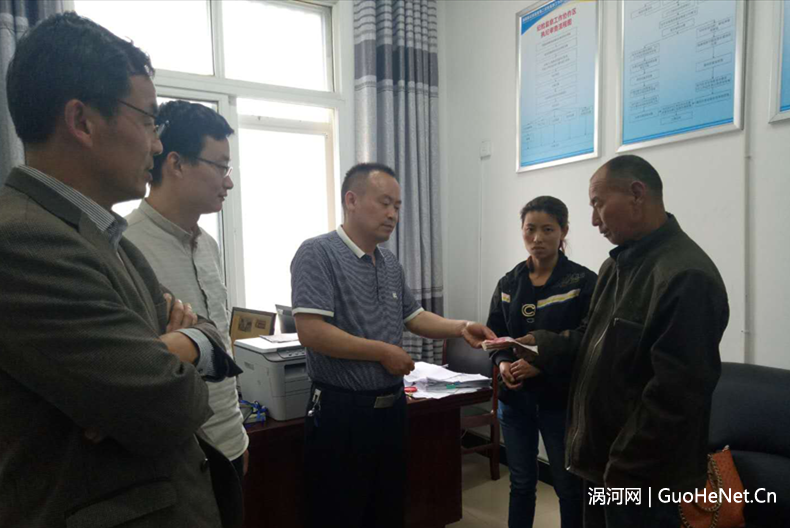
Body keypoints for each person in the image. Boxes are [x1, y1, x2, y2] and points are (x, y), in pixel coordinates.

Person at [0, 13, 242, 528]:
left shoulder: (111, 240)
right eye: (148, 121)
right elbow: (168, 407)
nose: (155, 144)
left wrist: (173, 349)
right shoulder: (21, 241)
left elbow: (210, 341)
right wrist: (172, 360)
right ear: (82, 122)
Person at [518, 155, 729, 528]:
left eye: (598, 203)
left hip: (641, 475)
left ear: (636, 193)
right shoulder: (615, 266)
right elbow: (590, 339)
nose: (594, 220)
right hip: (602, 465)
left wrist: (620, 466)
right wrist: (537, 344)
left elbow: (676, 396)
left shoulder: (685, 275)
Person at [290, 162, 496, 528]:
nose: (393, 214)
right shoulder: (317, 253)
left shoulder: (388, 262)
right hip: (342, 411)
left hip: (391, 409)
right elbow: (312, 332)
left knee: (387, 508)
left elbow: (414, 317)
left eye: (398, 206)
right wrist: (382, 351)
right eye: (385, 203)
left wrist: (461, 327)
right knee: (339, 513)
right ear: (351, 200)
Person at [124, 100, 249, 483]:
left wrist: (238, 435)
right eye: (220, 166)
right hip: (174, 456)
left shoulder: (208, 244)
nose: (228, 182)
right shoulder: (126, 246)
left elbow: (220, 344)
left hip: (232, 443)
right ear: (176, 163)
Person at [486, 196, 596, 528]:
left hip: (560, 401)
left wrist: (541, 363)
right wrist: (503, 364)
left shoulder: (582, 282)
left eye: (548, 229)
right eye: (530, 229)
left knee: (568, 487)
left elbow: (589, 338)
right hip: (515, 399)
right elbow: (495, 334)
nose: (537, 238)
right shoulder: (509, 283)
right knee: (520, 483)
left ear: (564, 231)